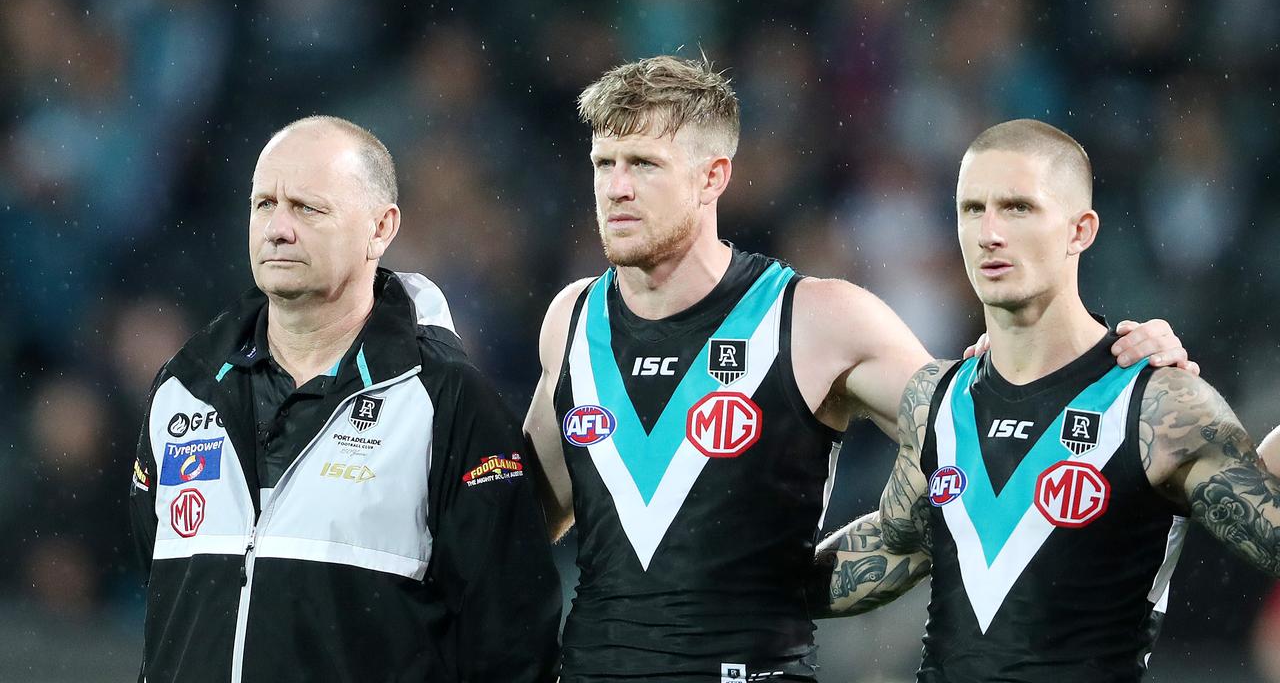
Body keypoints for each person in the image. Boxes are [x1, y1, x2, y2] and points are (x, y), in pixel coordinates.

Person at [522, 56, 1192, 682]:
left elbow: (991, 445)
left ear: (712, 177)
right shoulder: (572, 319)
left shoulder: (820, 321)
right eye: (603, 162)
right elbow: (523, 518)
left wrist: (1121, 371)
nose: (614, 188)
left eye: (642, 163)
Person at [129, 116, 560, 683]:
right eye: (264, 205)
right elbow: (165, 596)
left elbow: (511, 643)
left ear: (381, 228)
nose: (278, 228)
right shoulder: (184, 388)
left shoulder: (446, 400)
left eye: (308, 208)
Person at [862, 119, 1280, 682]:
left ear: (1080, 230)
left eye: (1017, 208)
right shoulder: (937, 398)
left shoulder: (1160, 405)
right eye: (971, 209)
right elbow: (885, 553)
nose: (989, 232)